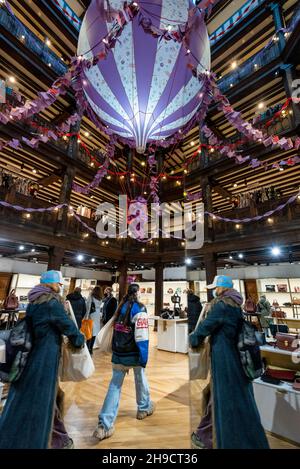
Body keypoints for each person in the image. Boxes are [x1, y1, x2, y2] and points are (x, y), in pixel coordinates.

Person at [0, 270, 85, 449]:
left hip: (29, 357)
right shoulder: (51, 303)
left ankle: (60, 440)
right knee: (40, 403)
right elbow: (68, 326)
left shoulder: (34, 301)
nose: (60, 287)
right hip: (44, 361)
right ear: (52, 284)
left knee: (34, 399)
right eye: (59, 284)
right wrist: (79, 340)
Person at [189, 275, 269, 449]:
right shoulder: (234, 304)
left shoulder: (222, 305)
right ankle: (204, 435)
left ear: (221, 288)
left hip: (225, 360)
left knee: (225, 400)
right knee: (220, 398)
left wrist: (194, 339)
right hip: (234, 358)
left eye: (215, 287)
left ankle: (228, 440)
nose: (214, 290)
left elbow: (206, 326)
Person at [93, 283, 154, 441]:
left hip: (119, 353)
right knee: (140, 377)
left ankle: (104, 425)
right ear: (138, 292)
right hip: (133, 353)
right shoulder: (140, 309)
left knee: (115, 385)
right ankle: (143, 408)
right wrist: (144, 357)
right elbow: (142, 336)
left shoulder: (121, 307)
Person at [86, 286, 103, 355]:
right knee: (94, 333)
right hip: (97, 315)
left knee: (89, 332)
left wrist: (86, 317)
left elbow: (88, 307)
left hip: (91, 315)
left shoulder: (91, 297)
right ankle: (91, 349)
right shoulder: (100, 298)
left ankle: (87, 348)